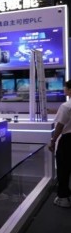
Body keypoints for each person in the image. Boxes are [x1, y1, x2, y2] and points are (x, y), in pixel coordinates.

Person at [49, 80, 71, 208]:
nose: (64, 89)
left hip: (68, 140)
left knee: (63, 169)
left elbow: (60, 126)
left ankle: (63, 198)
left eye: (65, 87)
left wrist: (53, 140)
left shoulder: (66, 106)